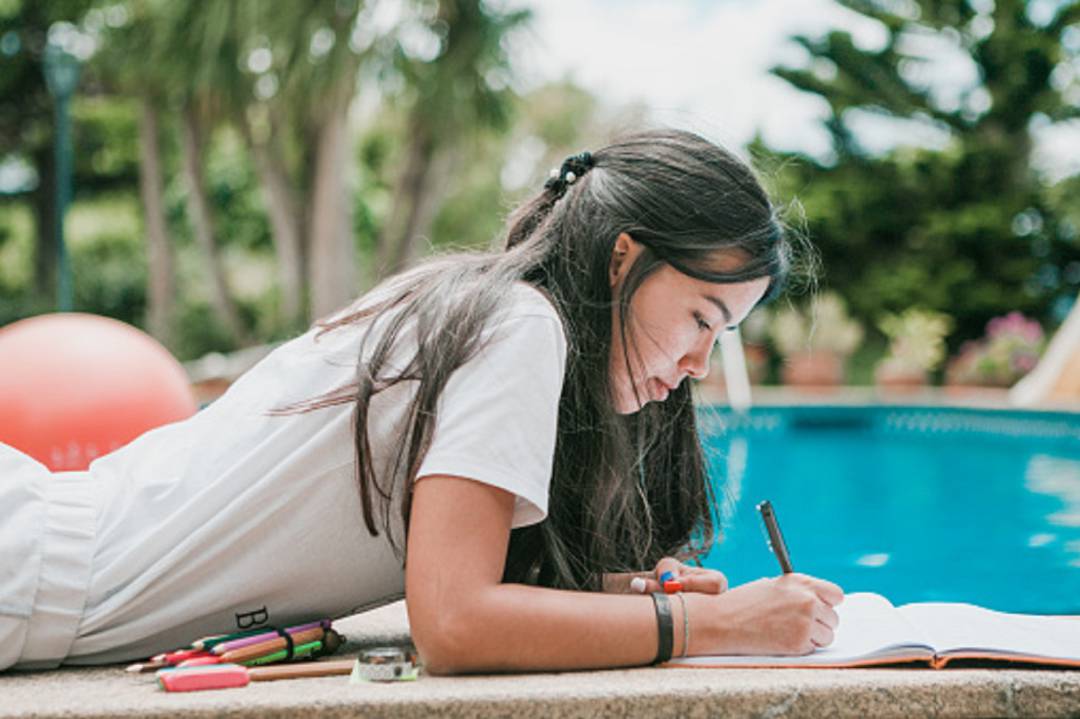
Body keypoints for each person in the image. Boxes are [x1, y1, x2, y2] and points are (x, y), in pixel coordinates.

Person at [0, 127, 842, 674]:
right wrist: (715, 627)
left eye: (720, 336)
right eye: (702, 316)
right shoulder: (520, 325)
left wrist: (640, 595)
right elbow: (454, 621)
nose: (699, 360)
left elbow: (462, 579)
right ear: (624, 258)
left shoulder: (496, 308)